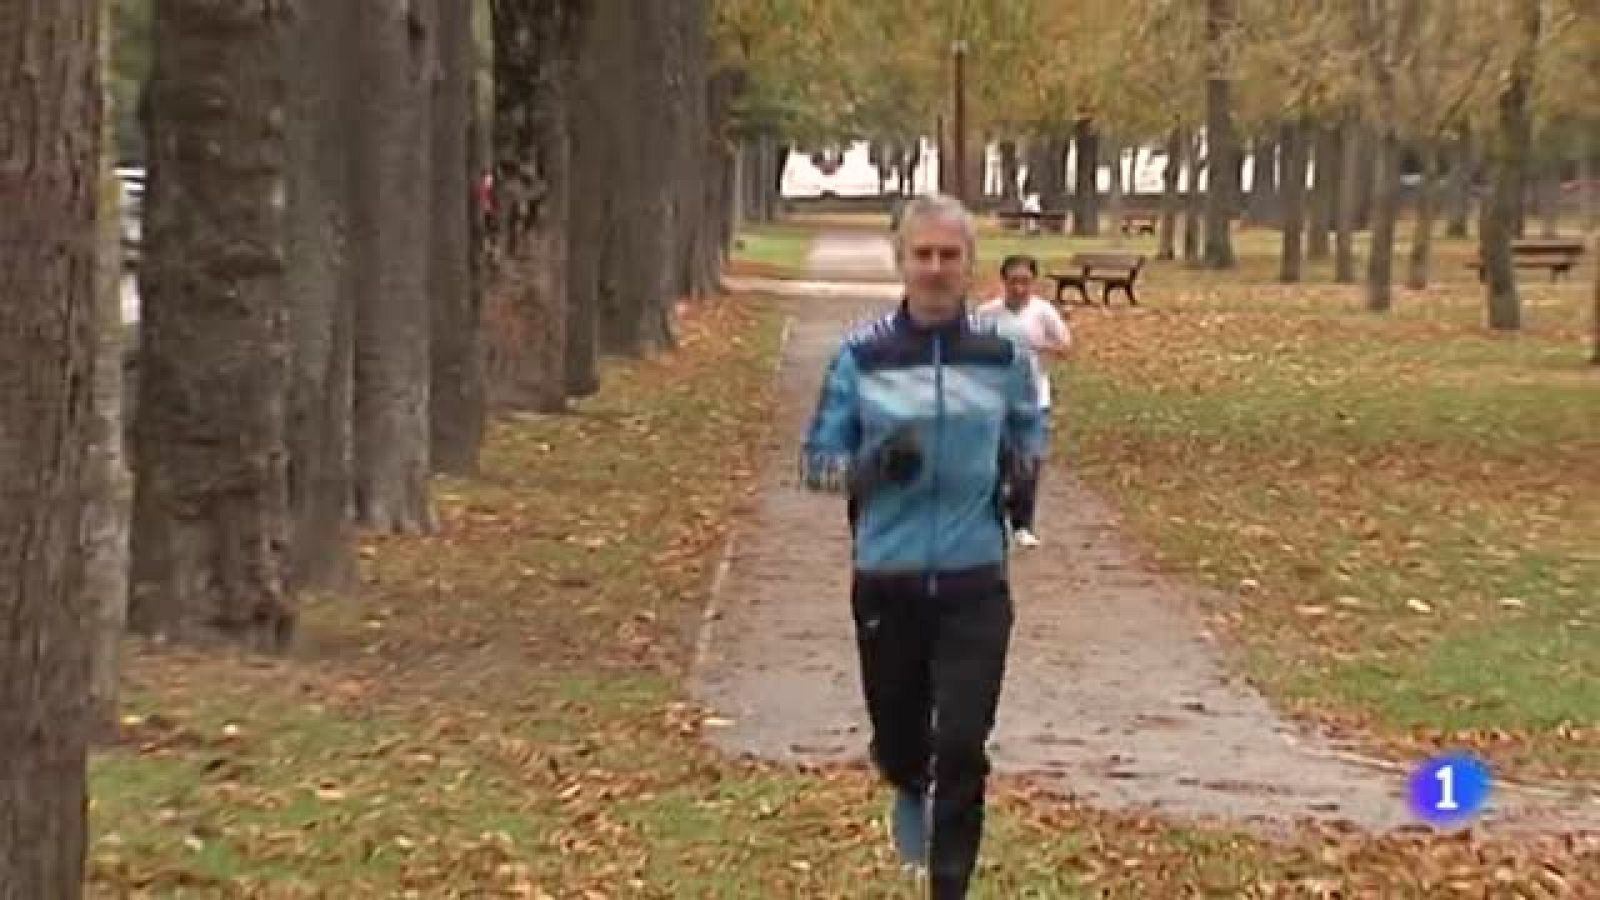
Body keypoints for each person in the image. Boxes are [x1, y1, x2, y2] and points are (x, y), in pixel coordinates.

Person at [799, 193, 1044, 898]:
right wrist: (872, 468)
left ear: (969, 264)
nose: (936, 268)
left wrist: (1020, 475)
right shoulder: (862, 357)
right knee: (903, 738)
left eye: (949, 255)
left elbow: (1029, 430)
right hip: (889, 577)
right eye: (923, 254)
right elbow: (815, 463)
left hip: (975, 580)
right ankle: (906, 778)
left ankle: (949, 884)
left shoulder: (1003, 355)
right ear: (902, 262)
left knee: (962, 744)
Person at [977, 254, 1071, 548]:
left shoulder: (1043, 312)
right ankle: (992, 520)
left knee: (1028, 462)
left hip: (1033, 399)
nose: (1019, 288)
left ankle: (1022, 525)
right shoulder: (987, 314)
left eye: (1025, 282)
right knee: (997, 463)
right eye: (1013, 282)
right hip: (995, 400)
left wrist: (1043, 347)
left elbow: (1065, 347)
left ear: (1033, 282)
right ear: (1003, 282)